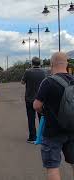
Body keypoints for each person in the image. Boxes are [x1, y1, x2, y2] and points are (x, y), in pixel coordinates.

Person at [33, 52, 74, 180]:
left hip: (53, 132)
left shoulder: (48, 82)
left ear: (51, 64)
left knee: (53, 167)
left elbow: (36, 105)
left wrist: (44, 112)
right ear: (67, 64)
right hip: (72, 130)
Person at [21, 57, 46, 143]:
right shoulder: (44, 72)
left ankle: (32, 137)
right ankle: (42, 137)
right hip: (41, 99)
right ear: (40, 63)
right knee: (41, 118)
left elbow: (22, 82)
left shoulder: (28, 72)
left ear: (32, 63)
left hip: (29, 99)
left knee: (31, 118)